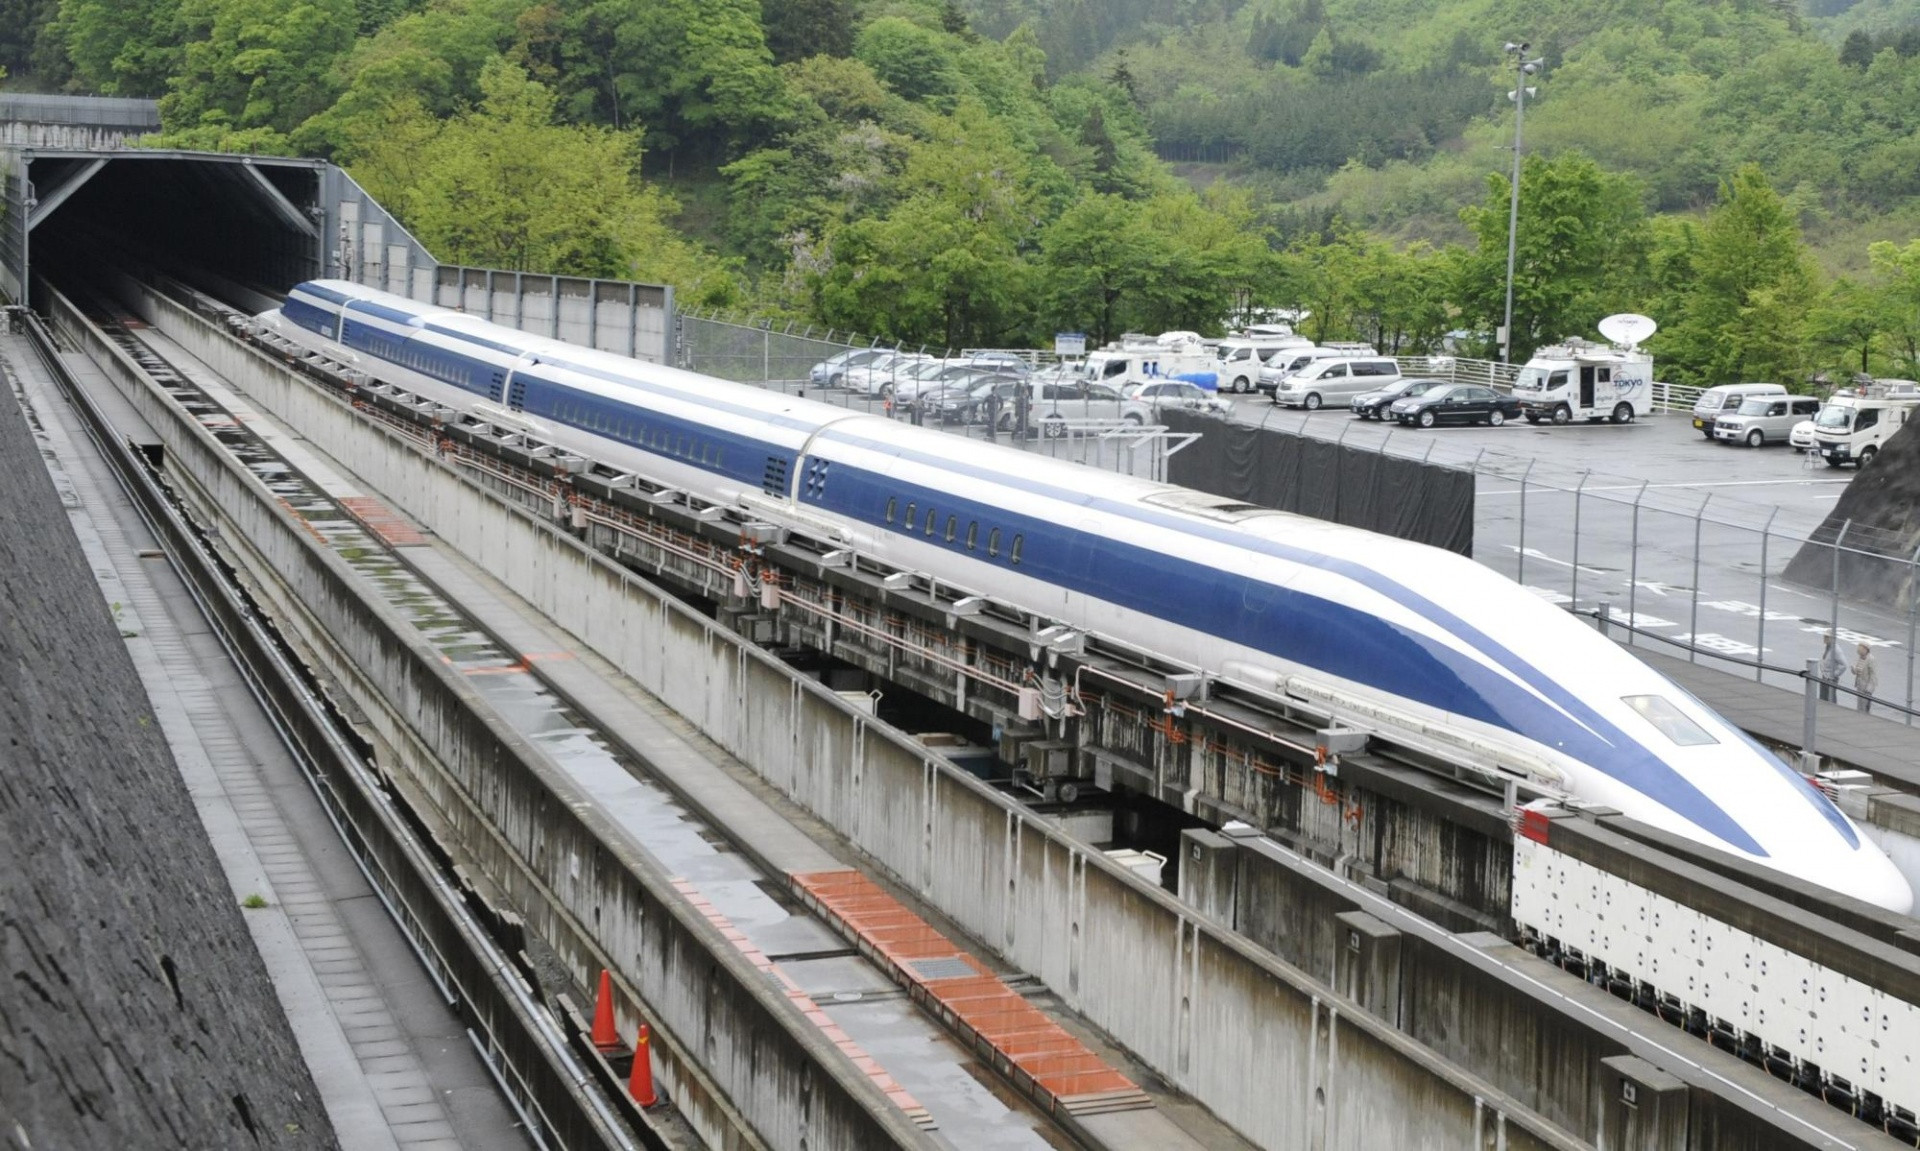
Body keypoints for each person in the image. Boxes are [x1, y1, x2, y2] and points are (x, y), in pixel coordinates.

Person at [1818, 632, 1846, 703]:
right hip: (1824, 676)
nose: (1824, 639)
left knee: (1831, 698)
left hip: (1831, 679)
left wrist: (1833, 674)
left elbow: (1844, 665)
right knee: (1823, 698)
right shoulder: (1827, 647)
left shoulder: (1836, 650)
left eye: (1827, 637)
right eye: (1824, 636)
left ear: (1832, 639)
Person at [1852, 643, 1879, 714]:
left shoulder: (1870, 659)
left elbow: (1873, 675)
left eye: (1860, 649)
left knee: (1865, 705)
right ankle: (1859, 715)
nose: (1858, 652)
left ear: (1865, 649)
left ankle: (1864, 716)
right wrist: (1854, 669)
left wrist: (1869, 689)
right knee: (1859, 703)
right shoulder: (1860, 657)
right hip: (1859, 684)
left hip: (1866, 686)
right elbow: (1858, 670)